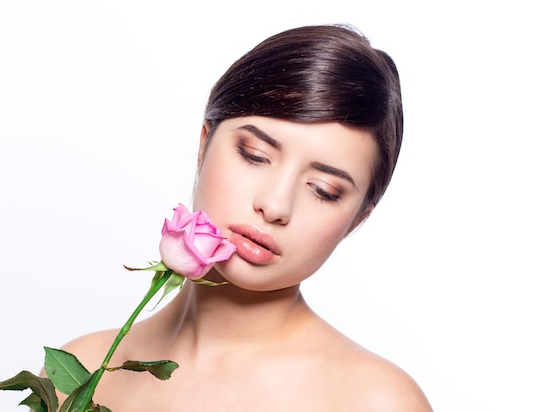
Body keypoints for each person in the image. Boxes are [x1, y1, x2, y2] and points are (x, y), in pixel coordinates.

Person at [55, 24, 432, 411]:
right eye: (255, 155)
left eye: (323, 190)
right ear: (204, 145)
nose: (275, 205)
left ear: (358, 219)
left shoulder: (375, 401)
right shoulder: (80, 372)